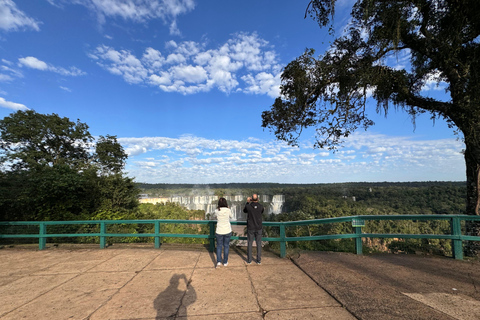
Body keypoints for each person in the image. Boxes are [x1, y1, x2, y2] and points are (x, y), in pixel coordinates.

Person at [243, 194, 264, 264]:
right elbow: (262, 211)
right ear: (258, 199)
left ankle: (249, 260)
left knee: (249, 243)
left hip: (250, 227)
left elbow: (244, 210)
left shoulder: (248, 207)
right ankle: (258, 260)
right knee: (258, 243)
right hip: (258, 228)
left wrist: (248, 202)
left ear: (251, 199)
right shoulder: (261, 207)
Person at [213, 197, 233, 268]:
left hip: (219, 231)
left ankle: (218, 262)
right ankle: (225, 262)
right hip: (227, 230)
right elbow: (231, 216)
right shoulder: (228, 210)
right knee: (226, 246)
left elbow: (214, 216)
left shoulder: (217, 211)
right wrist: (228, 208)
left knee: (219, 246)